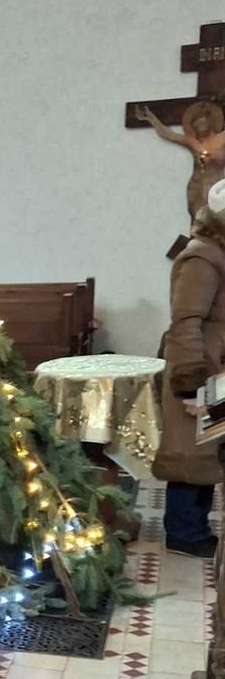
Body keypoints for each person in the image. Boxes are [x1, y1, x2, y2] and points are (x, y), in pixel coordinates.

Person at [152, 178, 225, 557]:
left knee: (206, 450)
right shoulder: (201, 257)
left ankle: (194, 526)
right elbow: (186, 322)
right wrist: (189, 382)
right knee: (188, 453)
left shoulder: (218, 252)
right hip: (197, 364)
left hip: (216, 366)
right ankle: (183, 532)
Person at [138, 101, 225, 225]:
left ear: (210, 122)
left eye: (202, 124)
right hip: (195, 184)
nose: (200, 129)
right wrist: (151, 118)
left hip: (214, 184)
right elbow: (168, 134)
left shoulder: (222, 138)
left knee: (214, 219)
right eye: (196, 127)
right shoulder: (192, 141)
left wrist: (216, 157)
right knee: (196, 216)